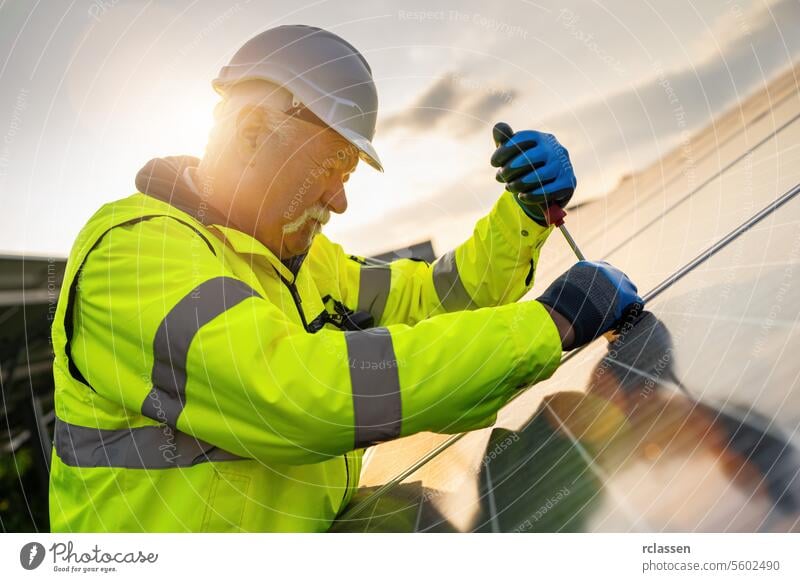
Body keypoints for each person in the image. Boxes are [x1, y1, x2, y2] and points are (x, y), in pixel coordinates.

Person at [48, 25, 641, 532]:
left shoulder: (302, 261)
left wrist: (524, 217)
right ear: (254, 132)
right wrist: (550, 324)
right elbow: (295, 392)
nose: (339, 200)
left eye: (350, 172)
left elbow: (439, 298)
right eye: (333, 165)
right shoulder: (133, 255)